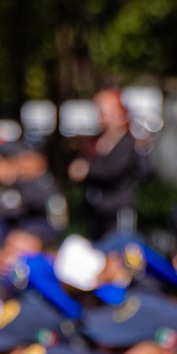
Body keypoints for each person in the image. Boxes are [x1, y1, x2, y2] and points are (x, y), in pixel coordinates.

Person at [66, 88, 143, 240]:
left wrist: (88, 169)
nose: (102, 116)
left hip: (117, 211)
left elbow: (112, 170)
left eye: (106, 111)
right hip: (94, 211)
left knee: (118, 250)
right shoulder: (94, 143)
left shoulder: (127, 143)